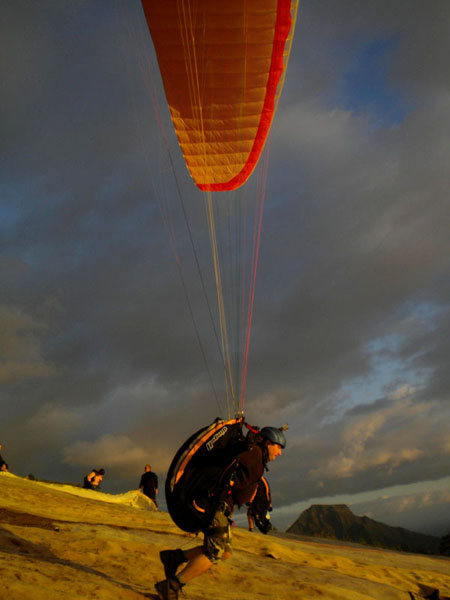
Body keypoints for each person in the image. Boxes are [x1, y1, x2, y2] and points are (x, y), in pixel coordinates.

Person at [155, 426, 286, 600]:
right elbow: (229, 458)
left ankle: (175, 557)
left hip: (222, 508)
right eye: (279, 447)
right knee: (214, 553)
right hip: (215, 506)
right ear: (268, 443)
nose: (280, 453)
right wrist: (243, 446)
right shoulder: (253, 453)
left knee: (225, 552)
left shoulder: (257, 457)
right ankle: (171, 586)